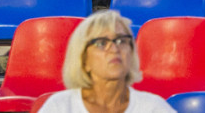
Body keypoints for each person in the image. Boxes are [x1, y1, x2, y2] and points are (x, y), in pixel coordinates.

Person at [38, 10, 174, 113]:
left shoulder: (153, 108)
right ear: (83, 58)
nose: (114, 49)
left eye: (121, 41)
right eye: (101, 43)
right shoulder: (60, 107)